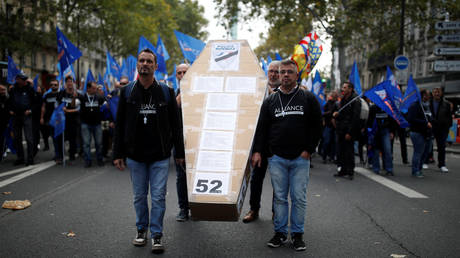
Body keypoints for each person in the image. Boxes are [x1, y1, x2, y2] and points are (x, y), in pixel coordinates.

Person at [113, 48, 184, 254]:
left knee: (159, 196)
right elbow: (120, 125)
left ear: (155, 66)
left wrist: (179, 153)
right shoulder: (127, 92)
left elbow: (176, 126)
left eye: (149, 61)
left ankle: (157, 234)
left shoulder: (165, 92)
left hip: (160, 155)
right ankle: (141, 230)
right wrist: (118, 154)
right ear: (137, 64)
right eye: (141, 60)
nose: (144, 64)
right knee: (139, 196)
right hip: (135, 155)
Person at [252, 59, 322, 251]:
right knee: (280, 198)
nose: (284, 75)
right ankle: (280, 233)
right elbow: (262, 129)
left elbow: (317, 126)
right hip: (277, 158)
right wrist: (259, 151)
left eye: (289, 72)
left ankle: (297, 235)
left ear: (296, 74)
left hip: (300, 158)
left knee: (298, 197)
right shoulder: (270, 101)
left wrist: (309, 149)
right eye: (282, 72)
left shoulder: (308, 98)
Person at [243, 60, 281, 223]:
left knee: (278, 182)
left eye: (276, 71)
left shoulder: (286, 92)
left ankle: (276, 211)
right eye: (270, 71)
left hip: (278, 146)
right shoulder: (258, 91)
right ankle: (254, 209)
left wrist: (271, 91)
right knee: (256, 178)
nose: (272, 74)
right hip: (260, 144)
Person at [7, 72, 39, 166]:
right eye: (21, 79)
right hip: (16, 116)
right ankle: (20, 157)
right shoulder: (13, 89)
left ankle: (30, 158)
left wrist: (30, 110)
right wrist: (10, 110)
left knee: (29, 138)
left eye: (24, 80)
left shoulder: (30, 89)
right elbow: (9, 101)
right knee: (17, 138)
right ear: (18, 80)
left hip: (26, 115)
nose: (23, 81)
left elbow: (36, 103)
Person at [333, 81, 361, 179]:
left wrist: (350, 132)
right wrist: (337, 115)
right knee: (340, 151)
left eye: (344, 88)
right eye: (342, 87)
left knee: (349, 151)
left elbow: (355, 118)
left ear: (350, 89)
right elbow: (343, 114)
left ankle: (350, 171)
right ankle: (342, 170)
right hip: (341, 129)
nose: (342, 89)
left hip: (348, 130)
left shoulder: (355, 100)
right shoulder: (343, 99)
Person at [173, 63, 190, 222]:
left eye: (186, 72)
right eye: (180, 73)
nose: (183, 75)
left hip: (198, 142)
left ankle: (197, 207)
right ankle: (183, 208)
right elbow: (171, 111)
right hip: (180, 142)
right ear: (176, 76)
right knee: (181, 177)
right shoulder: (174, 93)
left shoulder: (200, 92)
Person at [78, 81, 105, 167]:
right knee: (86, 144)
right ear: (88, 88)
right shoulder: (82, 97)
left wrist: (109, 98)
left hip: (97, 124)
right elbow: (74, 105)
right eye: (93, 88)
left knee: (99, 143)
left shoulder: (99, 97)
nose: (95, 90)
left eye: (96, 88)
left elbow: (107, 104)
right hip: (85, 124)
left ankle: (100, 159)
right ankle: (88, 161)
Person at [407, 89, 432, 178]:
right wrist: (425, 123)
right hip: (417, 132)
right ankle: (415, 170)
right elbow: (411, 119)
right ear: (423, 96)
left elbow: (429, 117)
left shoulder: (427, 106)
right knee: (418, 152)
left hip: (426, 133)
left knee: (426, 152)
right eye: (428, 95)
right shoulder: (415, 105)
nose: (429, 96)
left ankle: (419, 169)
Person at [367, 102, 397, 175]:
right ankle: (376, 169)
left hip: (385, 130)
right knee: (376, 151)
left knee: (387, 150)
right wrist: (369, 132)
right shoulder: (373, 108)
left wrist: (392, 131)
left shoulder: (388, 107)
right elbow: (369, 121)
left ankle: (389, 169)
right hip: (375, 131)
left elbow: (392, 120)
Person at [429, 86, 453, 172]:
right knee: (428, 146)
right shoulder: (429, 103)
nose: (437, 93)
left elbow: (449, 117)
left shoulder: (446, 104)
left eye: (438, 92)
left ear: (441, 93)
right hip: (431, 126)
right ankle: (426, 161)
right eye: (435, 92)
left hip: (442, 128)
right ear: (432, 93)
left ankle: (442, 164)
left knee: (441, 147)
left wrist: (447, 127)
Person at [57, 76, 79, 162]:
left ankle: (72, 155)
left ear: (73, 83)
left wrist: (74, 98)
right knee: (60, 138)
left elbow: (77, 107)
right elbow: (56, 104)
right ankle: (60, 156)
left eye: (71, 82)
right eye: (68, 82)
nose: (70, 83)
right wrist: (60, 108)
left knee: (72, 138)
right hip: (62, 119)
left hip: (73, 120)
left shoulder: (76, 94)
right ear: (66, 83)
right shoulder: (61, 93)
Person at [40, 78, 61, 163]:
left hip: (59, 120)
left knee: (59, 138)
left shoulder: (60, 95)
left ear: (58, 85)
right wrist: (41, 117)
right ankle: (57, 154)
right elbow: (43, 107)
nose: (53, 86)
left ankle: (60, 154)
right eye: (52, 85)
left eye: (55, 85)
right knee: (54, 138)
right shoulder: (47, 96)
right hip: (49, 119)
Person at [321, 91, 339, 164]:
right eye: (333, 95)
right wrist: (330, 113)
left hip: (335, 126)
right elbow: (323, 113)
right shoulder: (327, 104)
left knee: (334, 143)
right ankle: (324, 156)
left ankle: (332, 156)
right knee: (327, 141)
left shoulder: (338, 104)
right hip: (328, 125)